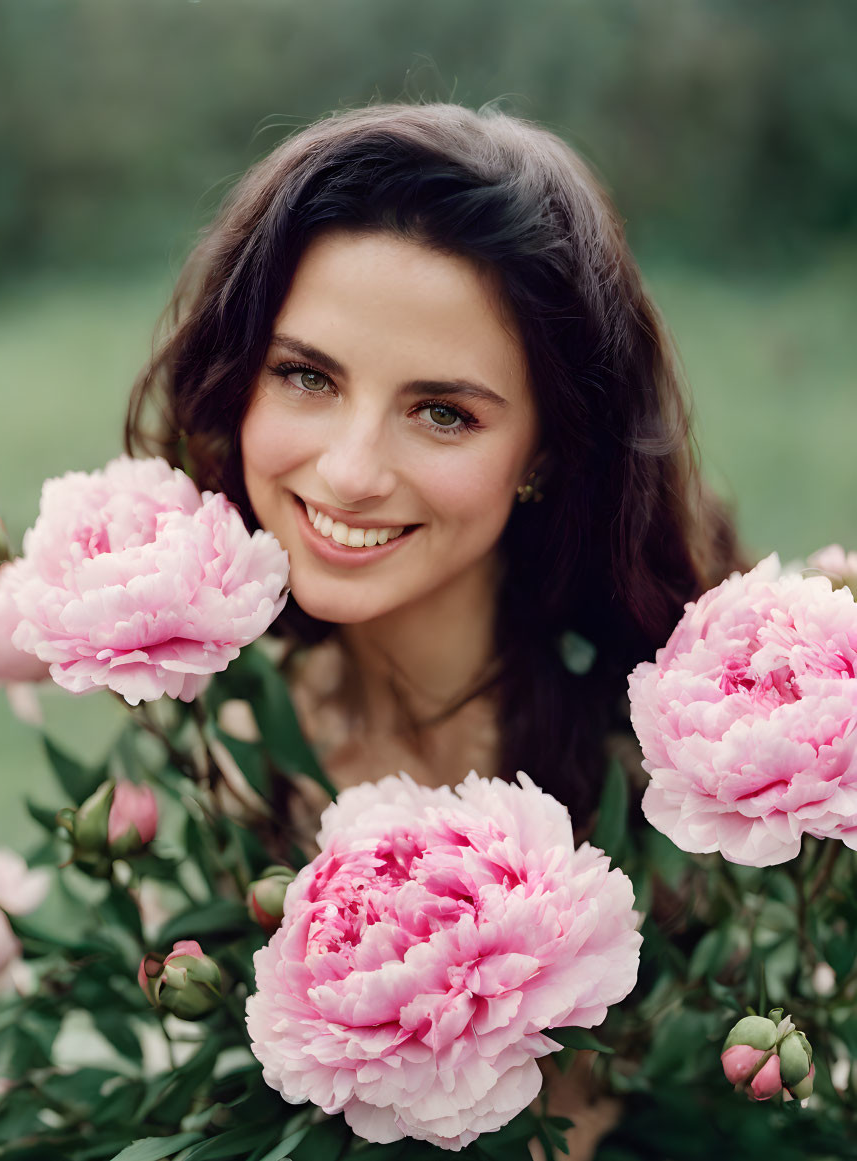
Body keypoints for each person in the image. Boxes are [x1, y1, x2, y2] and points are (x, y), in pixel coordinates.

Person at [125, 102, 746, 1157]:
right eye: (307, 377)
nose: (352, 471)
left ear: (549, 451)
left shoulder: (678, 780)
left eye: (443, 412)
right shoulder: (213, 742)